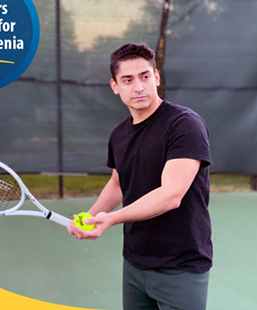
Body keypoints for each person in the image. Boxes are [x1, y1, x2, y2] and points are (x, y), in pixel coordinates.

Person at [67, 43, 212, 310]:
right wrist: (90, 216)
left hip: (181, 267)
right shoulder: (119, 135)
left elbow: (172, 194)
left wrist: (110, 219)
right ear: (115, 86)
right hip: (134, 264)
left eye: (145, 76)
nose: (139, 87)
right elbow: (118, 182)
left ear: (156, 78)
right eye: (128, 80)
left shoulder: (184, 125)